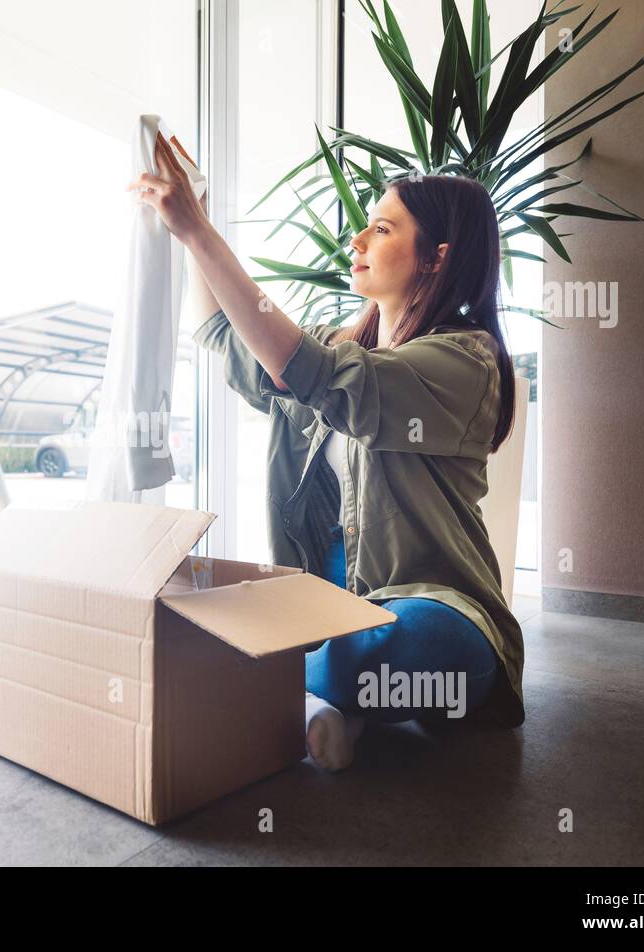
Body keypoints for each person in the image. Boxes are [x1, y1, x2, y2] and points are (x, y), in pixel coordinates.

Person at [128, 131, 525, 771]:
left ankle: (309, 690)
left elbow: (305, 371)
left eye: (383, 229)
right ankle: (328, 705)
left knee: (381, 656)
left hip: (435, 607)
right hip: (330, 606)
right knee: (310, 645)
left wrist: (199, 233)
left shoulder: (465, 361)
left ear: (437, 256)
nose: (358, 241)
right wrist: (194, 213)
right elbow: (226, 334)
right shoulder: (343, 347)